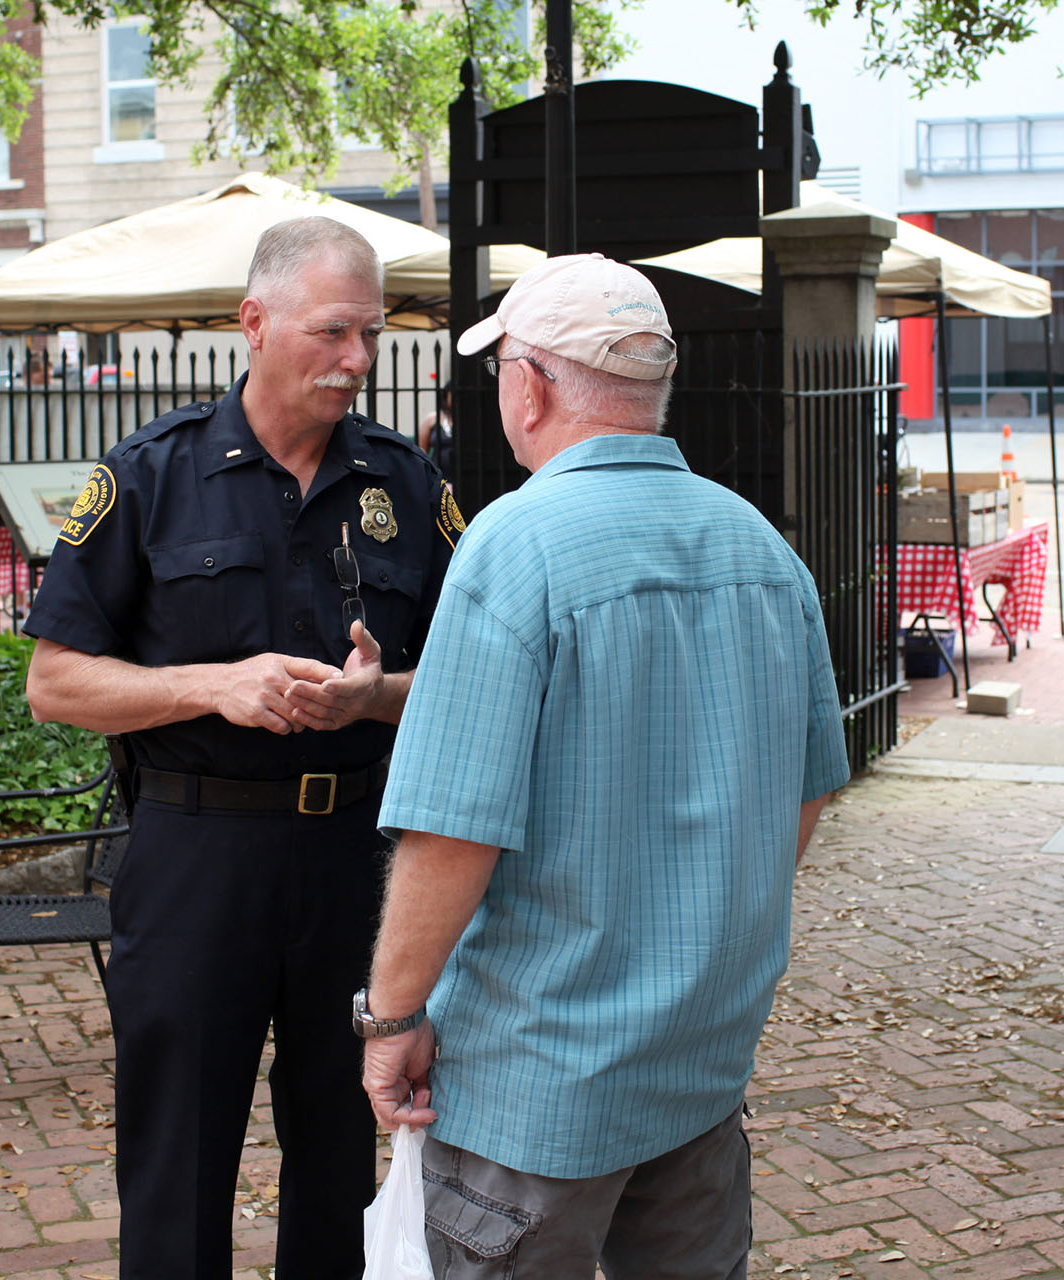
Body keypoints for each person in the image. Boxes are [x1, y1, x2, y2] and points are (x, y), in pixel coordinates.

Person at [356, 253, 851, 1279]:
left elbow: (453, 827)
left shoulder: (515, 546)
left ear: (530, 383)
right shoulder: (762, 547)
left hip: (536, 1082)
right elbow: (804, 791)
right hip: (701, 1058)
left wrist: (393, 1016)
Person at [20, 216, 461, 1280]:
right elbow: (54, 682)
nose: (358, 359)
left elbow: (470, 691)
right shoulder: (149, 477)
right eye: (333, 332)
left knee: (340, 1153)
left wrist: (376, 696)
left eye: (373, 332)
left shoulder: (408, 487)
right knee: (175, 1156)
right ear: (253, 324)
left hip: (358, 857)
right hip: (193, 855)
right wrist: (212, 683)